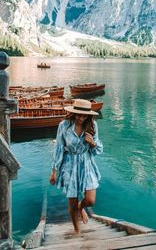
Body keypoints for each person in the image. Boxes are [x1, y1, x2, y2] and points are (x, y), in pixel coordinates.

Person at [49, 99, 103, 234]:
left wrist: (93, 143)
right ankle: (77, 231)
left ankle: (81, 207)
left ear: (88, 115)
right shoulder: (64, 125)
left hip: (87, 163)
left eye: (84, 115)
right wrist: (54, 171)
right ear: (73, 113)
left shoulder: (93, 125)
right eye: (78, 114)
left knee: (90, 200)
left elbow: (97, 151)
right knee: (72, 202)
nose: (80, 118)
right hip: (69, 165)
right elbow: (59, 148)